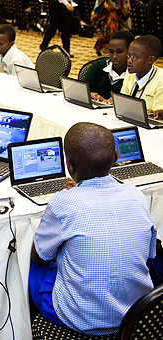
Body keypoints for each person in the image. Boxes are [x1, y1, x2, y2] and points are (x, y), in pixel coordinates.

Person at [29, 122, 156, 335]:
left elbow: (39, 256)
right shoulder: (137, 196)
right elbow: (149, 254)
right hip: (137, 316)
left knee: (35, 270)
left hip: (80, 320)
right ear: (116, 156)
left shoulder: (63, 203)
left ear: (69, 167)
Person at [83, 31, 134, 103]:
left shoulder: (135, 75)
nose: (115, 56)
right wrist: (92, 95)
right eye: (111, 52)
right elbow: (82, 90)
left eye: (119, 52)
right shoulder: (98, 66)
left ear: (130, 52)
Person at [120, 35, 163, 118]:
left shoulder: (160, 80)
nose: (129, 60)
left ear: (150, 60)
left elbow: (157, 117)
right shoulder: (130, 73)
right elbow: (122, 104)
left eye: (135, 57)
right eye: (128, 55)